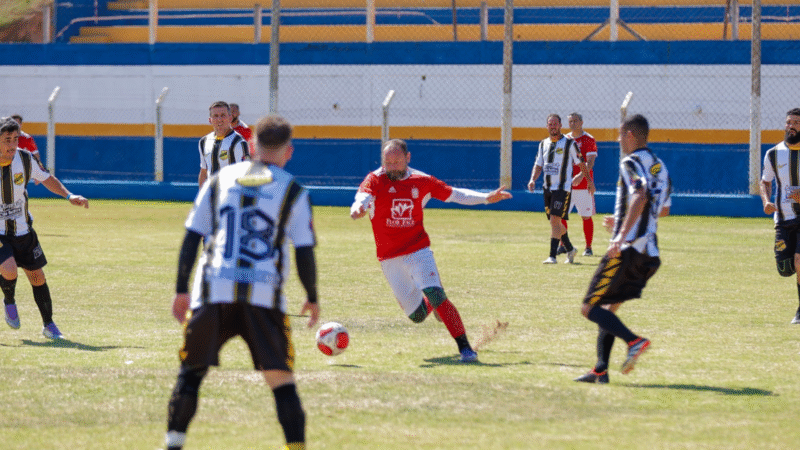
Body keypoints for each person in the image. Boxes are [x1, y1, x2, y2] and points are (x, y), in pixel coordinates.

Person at [164, 114, 319, 450]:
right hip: (264, 295)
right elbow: (304, 250)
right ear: (288, 151)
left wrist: (180, 289)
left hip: (214, 290)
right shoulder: (293, 189)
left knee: (191, 374)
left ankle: (174, 444)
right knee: (282, 382)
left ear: (251, 144)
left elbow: (191, 237)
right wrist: (312, 295)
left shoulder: (219, 180)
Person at [350, 139, 512, 362]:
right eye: (388, 163)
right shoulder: (375, 179)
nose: (392, 167)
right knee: (417, 315)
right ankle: (431, 302)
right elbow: (363, 196)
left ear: (408, 158)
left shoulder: (422, 181)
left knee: (437, 295)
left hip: (418, 249)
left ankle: (466, 348)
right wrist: (358, 207)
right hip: (389, 257)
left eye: (397, 162)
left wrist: (485, 198)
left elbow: (455, 194)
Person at [575, 114, 671, 384]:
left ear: (629, 135)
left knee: (589, 308)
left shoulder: (630, 162)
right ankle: (600, 370)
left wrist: (620, 235)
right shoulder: (660, 166)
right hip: (649, 253)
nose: (618, 140)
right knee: (607, 308)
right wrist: (622, 221)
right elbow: (662, 209)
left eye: (620, 135)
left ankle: (634, 341)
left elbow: (640, 195)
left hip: (628, 249)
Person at [0, 117, 89, 339]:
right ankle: (9, 300)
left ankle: (49, 325)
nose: (12, 145)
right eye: (7, 140)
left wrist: (69, 195)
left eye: (15, 139)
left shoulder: (25, 159)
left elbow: (47, 178)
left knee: (37, 277)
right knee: (9, 269)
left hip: (23, 229)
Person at [527, 113, 595, 264]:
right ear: (547, 126)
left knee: (555, 220)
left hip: (563, 189)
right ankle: (570, 249)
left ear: (560, 126)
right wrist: (532, 179)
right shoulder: (543, 144)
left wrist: (589, 181)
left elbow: (581, 163)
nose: (553, 127)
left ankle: (552, 256)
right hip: (547, 188)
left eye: (555, 124)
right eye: (550, 124)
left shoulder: (569, 143)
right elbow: (538, 164)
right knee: (555, 223)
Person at [760, 107, 800, 324]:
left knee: (799, 261)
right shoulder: (773, 154)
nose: (791, 126)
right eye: (788, 122)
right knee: (785, 269)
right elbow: (765, 182)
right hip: (784, 219)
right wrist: (766, 201)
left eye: (796, 123)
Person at [558, 112, 598, 256]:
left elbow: (590, 161)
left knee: (586, 216)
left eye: (575, 121)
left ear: (581, 122)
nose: (573, 123)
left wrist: (581, 175)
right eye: (570, 121)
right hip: (566, 185)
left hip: (583, 185)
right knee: (561, 216)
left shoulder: (589, 139)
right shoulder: (564, 139)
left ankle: (588, 247)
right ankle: (563, 244)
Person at [197, 101, 249, 187]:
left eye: (223, 115)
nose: (219, 119)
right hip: (211, 193)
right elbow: (203, 171)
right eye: (215, 116)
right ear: (210, 120)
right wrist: (202, 193)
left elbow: (245, 173)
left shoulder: (239, 142)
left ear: (230, 118)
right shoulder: (203, 142)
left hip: (230, 193)